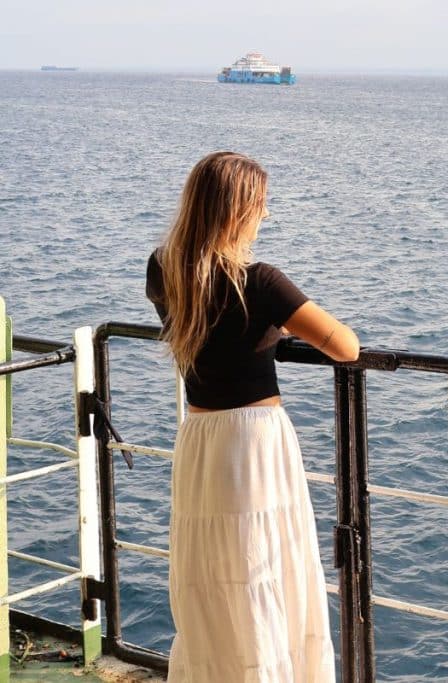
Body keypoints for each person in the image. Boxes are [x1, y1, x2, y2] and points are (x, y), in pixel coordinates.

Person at [146, 151, 360, 682]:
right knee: (264, 568)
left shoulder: (163, 269)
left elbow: (209, 329)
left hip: (199, 439)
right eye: (259, 206)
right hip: (254, 443)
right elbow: (346, 346)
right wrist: (276, 327)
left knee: (214, 574)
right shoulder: (260, 282)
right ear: (237, 211)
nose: (264, 217)